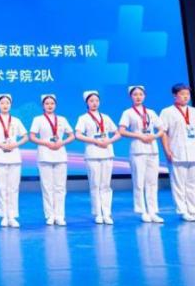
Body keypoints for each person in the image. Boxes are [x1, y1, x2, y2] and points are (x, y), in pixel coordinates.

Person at [160, 84, 195, 222]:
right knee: (179, 184)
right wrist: (167, 150)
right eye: (182, 94)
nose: (185, 96)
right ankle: (183, 211)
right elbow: (163, 133)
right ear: (174, 95)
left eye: (187, 94)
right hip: (177, 151)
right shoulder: (167, 112)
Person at [118, 85, 166, 223]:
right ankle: (142, 211)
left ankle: (153, 211)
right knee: (139, 181)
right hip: (138, 150)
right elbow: (122, 131)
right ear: (131, 97)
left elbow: (162, 129)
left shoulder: (151, 112)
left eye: (140, 94)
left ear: (144, 96)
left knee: (152, 181)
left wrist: (154, 136)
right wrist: (139, 135)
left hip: (152, 149)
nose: (138, 97)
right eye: (135, 94)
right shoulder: (128, 113)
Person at [29, 94, 75, 226]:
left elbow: (72, 135)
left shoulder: (62, 119)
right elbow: (32, 136)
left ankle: (60, 216)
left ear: (55, 105)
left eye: (52, 103)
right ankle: (50, 215)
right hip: (45, 154)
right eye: (47, 103)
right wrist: (45, 143)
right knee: (47, 187)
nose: (50, 106)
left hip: (60, 154)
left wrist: (62, 142)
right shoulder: (38, 119)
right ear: (43, 106)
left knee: (60, 187)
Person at [0, 93, 29, 228]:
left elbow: (25, 136)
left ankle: (12, 216)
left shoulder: (16, 120)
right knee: (2, 187)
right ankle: (4, 216)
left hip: (14, 156)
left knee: (13, 188)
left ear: (11, 104)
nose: (5, 105)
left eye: (7, 103)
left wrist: (16, 144)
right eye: (2, 103)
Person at [75, 91, 119, 225]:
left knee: (106, 184)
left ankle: (107, 213)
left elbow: (118, 133)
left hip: (107, 153)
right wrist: (94, 141)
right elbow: (78, 135)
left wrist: (109, 141)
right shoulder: (83, 118)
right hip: (92, 154)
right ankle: (98, 213)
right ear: (87, 103)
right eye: (91, 101)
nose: (94, 103)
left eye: (96, 101)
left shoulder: (105, 117)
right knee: (95, 184)